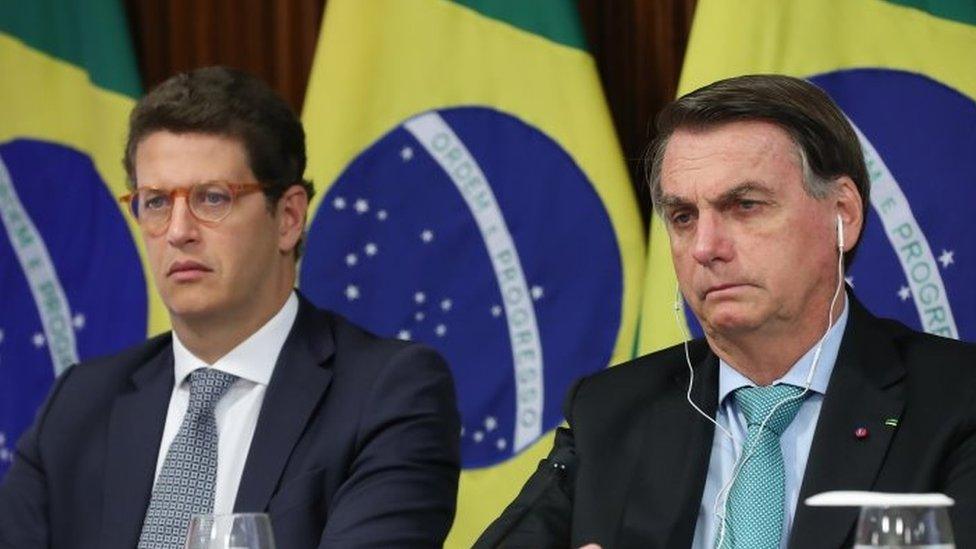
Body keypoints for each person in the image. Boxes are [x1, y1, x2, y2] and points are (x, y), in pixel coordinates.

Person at [475, 74, 976, 548]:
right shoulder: (612, 411)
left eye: (745, 206)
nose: (705, 247)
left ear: (842, 211)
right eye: (683, 217)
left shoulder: (956, 402)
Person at [0, 66, 460, 549]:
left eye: (212, 198)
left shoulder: (389, 393)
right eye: (155, 202)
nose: (178, 231)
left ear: (288, 218)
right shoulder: (78, 404)